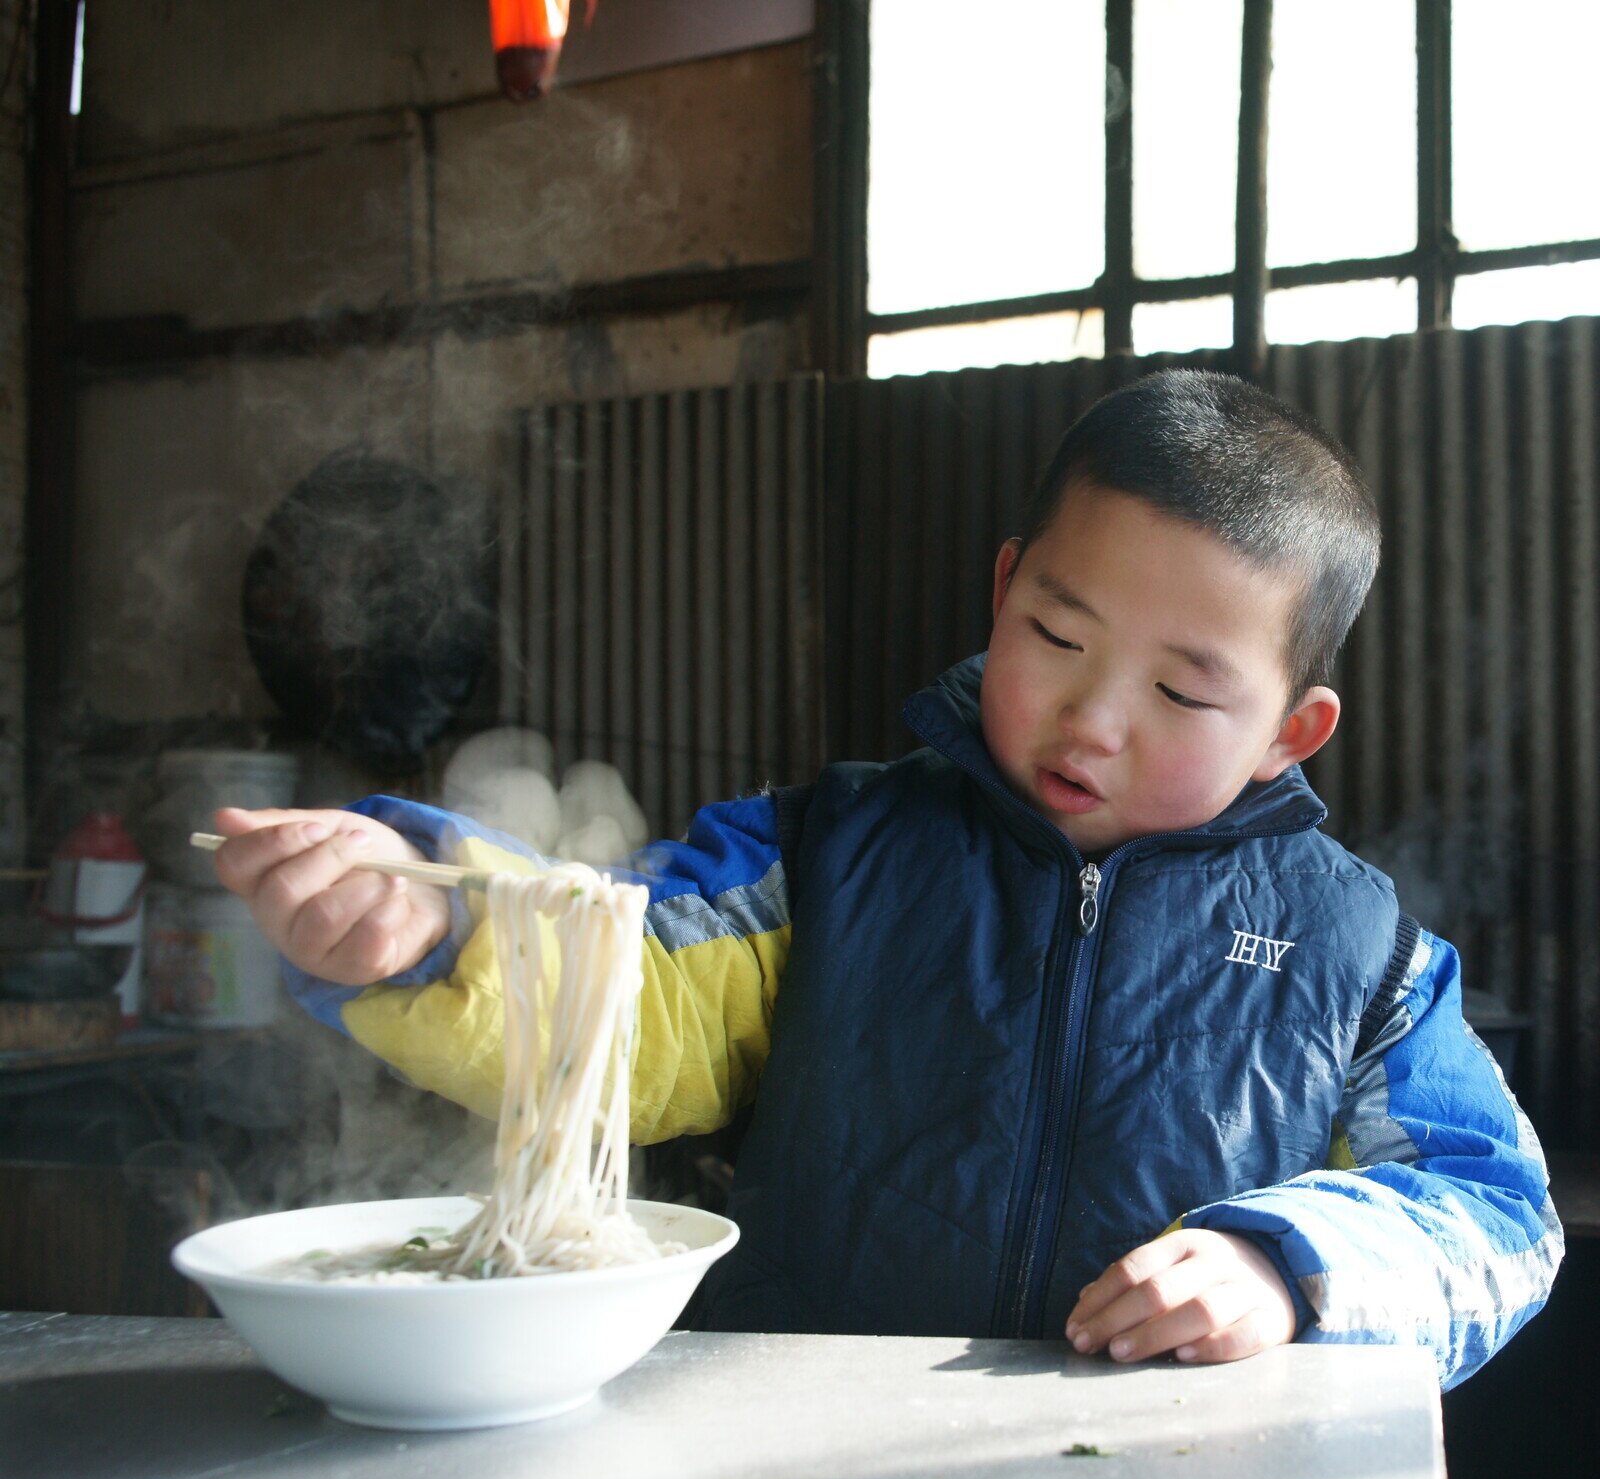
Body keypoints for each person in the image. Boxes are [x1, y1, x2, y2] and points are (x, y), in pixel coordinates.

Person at [211, 369, 1560, 1387]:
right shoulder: (829, 857)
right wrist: (438, 922)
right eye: (1058, 635)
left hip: (1158, 1477)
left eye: (1181, 692)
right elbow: (628, 984)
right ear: (1004, 589)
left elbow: (1496, 1214)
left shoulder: (1354, 952)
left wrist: (1290, 1265)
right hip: (809, 1457)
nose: (1093, 720)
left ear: (1288, 733)